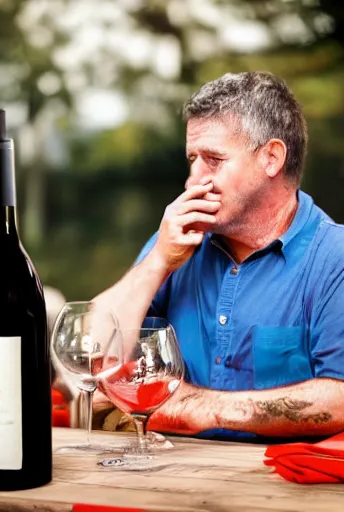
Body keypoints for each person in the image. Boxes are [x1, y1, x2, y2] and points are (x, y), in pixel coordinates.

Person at [93, 71, 344, 440]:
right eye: (192, 158)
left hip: (283, 489)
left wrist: (198, 408)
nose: (193, 179)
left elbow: (339, 398)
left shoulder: (333, 257)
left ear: (271, 158)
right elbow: (86, 361)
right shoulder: (175, 241)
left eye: (213, 159)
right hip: (168, 478)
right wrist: (159, 261)